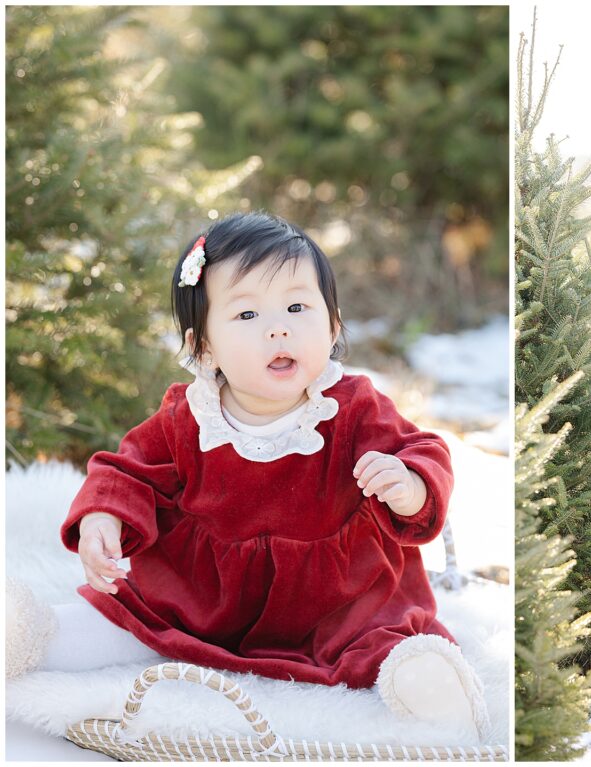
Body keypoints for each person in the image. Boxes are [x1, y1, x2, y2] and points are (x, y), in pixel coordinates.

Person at [29, 212, 486, 736]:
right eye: (247, 314)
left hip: (339, 608)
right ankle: (34, 635)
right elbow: (128, 471)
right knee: (129, 616)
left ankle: (426, 685)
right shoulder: (189, 416)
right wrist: (104, 518)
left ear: (333, 325)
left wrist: (410, 485)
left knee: (388, 644)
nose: (278, 327)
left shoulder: (354, 407)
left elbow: (423, 450)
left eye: (297, 307)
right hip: (203, 603)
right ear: (203, 347)